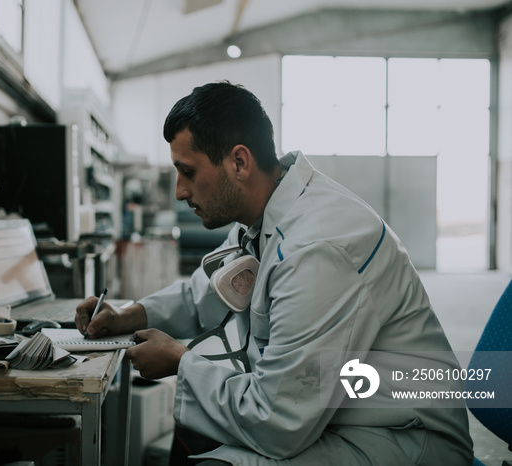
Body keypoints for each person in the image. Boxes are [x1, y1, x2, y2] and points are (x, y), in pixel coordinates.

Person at [75, 81, 474, 465]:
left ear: (239, 162)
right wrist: (129, 314)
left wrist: (182, 361)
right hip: (333, 414)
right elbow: (204, 294)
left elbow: (278, 423)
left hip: (401, 436)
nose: (179, 191)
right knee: (193, 431)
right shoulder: (262, 217)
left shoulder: (318, 249)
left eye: (189, 172)